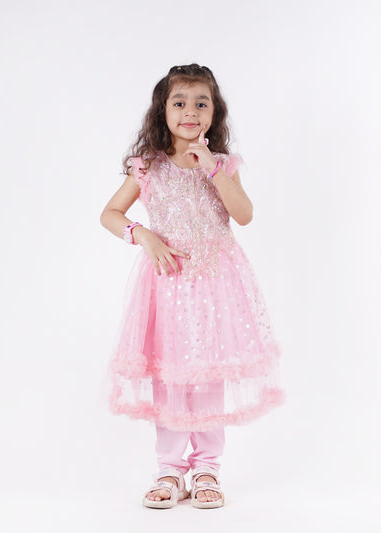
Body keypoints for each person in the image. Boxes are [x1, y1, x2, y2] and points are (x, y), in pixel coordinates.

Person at [99, 63, 285, 509]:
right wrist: (142, 235)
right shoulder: (148, 167)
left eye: (201, 103)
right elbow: (110, 214)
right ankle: (169, 468)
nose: (190, 112)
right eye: (179, 102)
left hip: (216, 285)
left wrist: (213, 169)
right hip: (166, 285)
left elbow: (244, 215)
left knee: (207, 375)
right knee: (168, 375)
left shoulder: (222, 164)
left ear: (214, 112)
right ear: (162, 111)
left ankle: (206, 468)